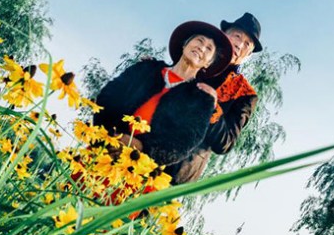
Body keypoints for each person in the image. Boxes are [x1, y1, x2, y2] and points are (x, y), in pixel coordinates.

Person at [93, 21, 233, 181]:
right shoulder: (146, 68)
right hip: (102, 150)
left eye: (209, 48)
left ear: (208, 63)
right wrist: (110, 135)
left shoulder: (201, 100)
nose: (202, 47)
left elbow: (184, 142)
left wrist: (138, 147)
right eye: (199, 40)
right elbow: (108, 97)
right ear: (185, 44)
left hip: (139, 173)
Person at [173, 12, 263, 184]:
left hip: (178, 171)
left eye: (247, 44)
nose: (240, 44)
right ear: (223, 35)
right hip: (140, 150)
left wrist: (213, 108)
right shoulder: (193, 58)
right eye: (237, 36)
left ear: (249, 55)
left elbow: (225, 143)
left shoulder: (245, 93)